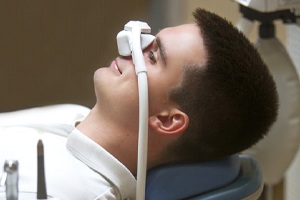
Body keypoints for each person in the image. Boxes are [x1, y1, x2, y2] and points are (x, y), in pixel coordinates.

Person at [0, 8, 278, 200]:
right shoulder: (74, 116)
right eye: (148, 41)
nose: (132, 48)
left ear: (168, 120)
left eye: (154, 56)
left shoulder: (65, 192)